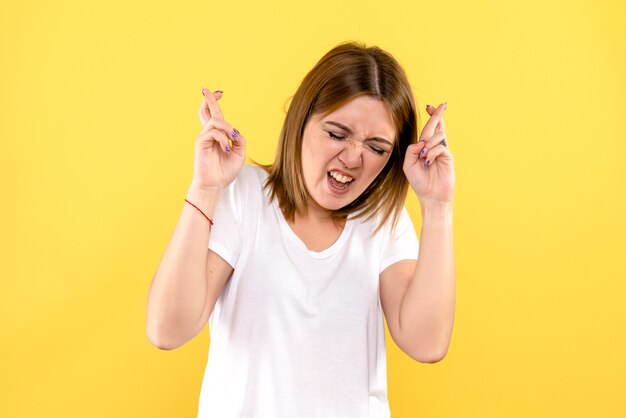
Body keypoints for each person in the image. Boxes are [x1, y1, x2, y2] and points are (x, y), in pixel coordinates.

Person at [146, 41, 456, 418]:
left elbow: (426, 345)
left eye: (376, 147)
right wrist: (205, 189)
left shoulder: (384, 221)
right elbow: (167, 329)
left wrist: (437, 207)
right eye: (337, 134)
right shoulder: (244, 196)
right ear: (301, 118)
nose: (353, 159)